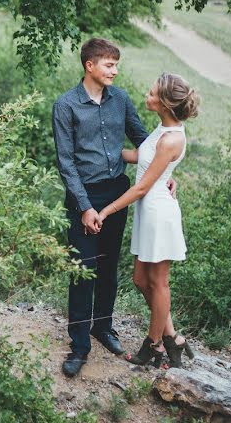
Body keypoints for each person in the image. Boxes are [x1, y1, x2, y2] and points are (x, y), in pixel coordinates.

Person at [52, 38, 168, 378]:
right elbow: (66, 162)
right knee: (82, 269)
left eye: (116, 65)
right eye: (109, 65)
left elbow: (146, 142)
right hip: (82, 197)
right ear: (90, 66)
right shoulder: (66, 105)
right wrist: (85, 207)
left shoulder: (121, 100)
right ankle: (79, 345)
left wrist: (164, 175)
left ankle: (103, 328)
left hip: (117, 195)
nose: (115, 71)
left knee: (107, 267)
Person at [97, 72, 200, 368]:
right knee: (140, 280)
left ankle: (153, 347)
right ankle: (173, 338)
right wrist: (102, 152)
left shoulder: (171, 139)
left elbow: (142, 186)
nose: (147, 94)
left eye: (153, 93)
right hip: (148, 210)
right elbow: (140, 158)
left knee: (159, 282)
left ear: (165, 103)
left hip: (158, 213)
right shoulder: (162, 129)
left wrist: (106, 210)